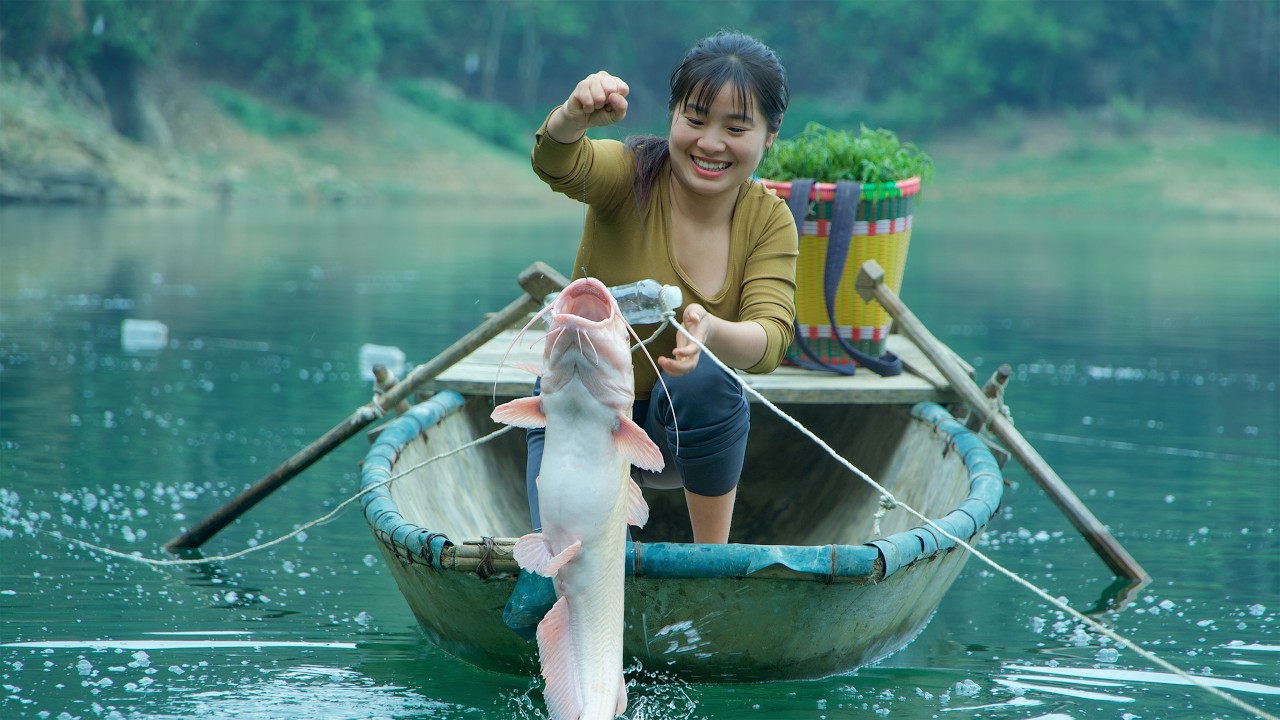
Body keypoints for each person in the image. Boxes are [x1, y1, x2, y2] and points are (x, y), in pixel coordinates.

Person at [525, 31, 797, 544]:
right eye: (695, 120)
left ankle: (710, 563)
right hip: (581, 421)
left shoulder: (769, 219)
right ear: (672, 114)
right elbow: (558, 163)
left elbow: (771, 339)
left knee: (706, 382)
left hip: (678, 435)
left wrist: (709, 331)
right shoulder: (627, 175)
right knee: (561, 575)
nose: (711, 143)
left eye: (736, 128)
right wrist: (573, 115)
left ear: (770, 135)